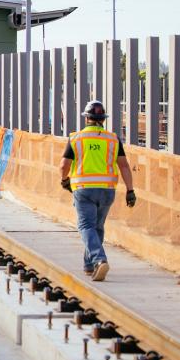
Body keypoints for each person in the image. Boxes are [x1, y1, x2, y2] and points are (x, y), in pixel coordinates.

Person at [60, 100, 136, 282]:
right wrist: (130, 190)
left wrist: (64, 180)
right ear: (103, 119)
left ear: (87, 118)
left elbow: (64, 165)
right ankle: (89, 265)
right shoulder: (112, 139)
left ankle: (99, 259)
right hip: (107, 190)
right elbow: (124, 166)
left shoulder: (76, 138)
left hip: (84, 190)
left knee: (86, 226)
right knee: (97, 227)